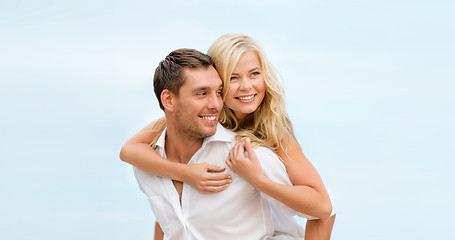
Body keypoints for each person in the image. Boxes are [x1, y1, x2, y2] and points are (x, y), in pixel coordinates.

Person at [121, 34, 335, 239]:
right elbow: (130, 151)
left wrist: (256, 180)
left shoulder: (271, 136)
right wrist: (185, 173)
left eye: (254, 74)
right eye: (233, 77)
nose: (246, 86)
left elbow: (324, 209)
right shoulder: (195, 120)